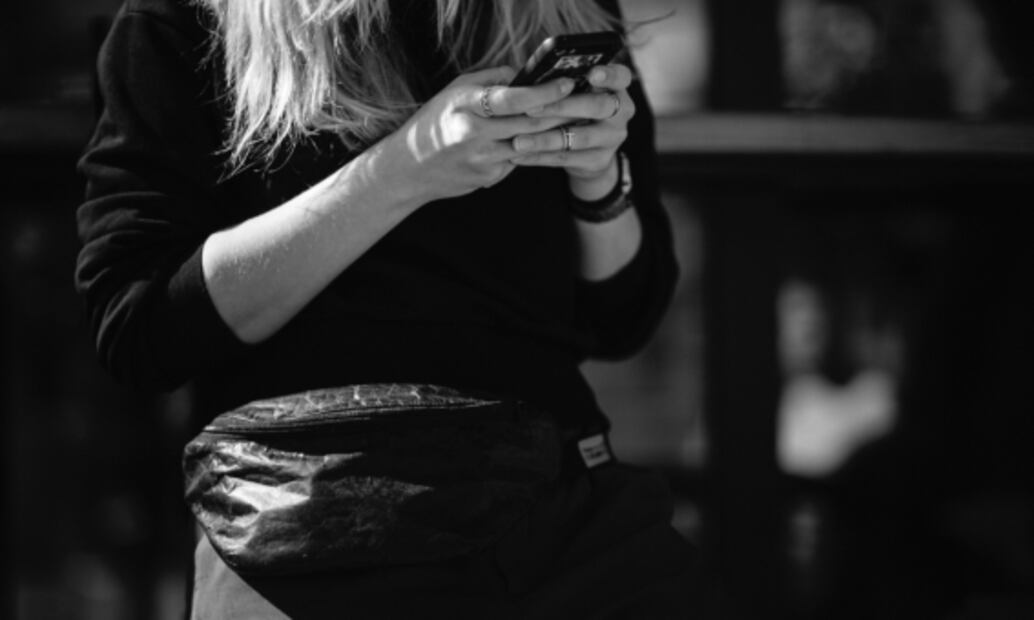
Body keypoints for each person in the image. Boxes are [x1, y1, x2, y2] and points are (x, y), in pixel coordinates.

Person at [75, 0, 698, 616]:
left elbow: (624, 317)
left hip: (562, 513)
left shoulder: (557, 9)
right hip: (306, 525)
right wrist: (404, 170)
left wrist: (598, 182)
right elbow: (142, 325)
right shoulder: (189, 21)